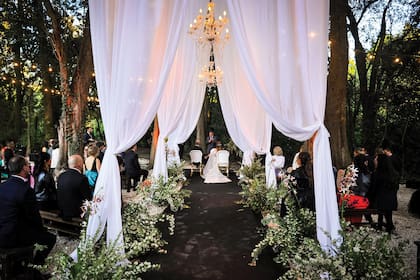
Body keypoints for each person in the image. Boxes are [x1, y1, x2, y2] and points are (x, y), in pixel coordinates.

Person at [0, 156, 56, 264]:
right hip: (14, 236)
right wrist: (41, 230)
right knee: (49, 238)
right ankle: (35, 268)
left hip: (3, 230)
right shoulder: (26, 190)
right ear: (23, 168)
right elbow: (34, 217)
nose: (29, 167)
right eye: (27, 165)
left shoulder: (3, 186)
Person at [57, 154, 92, 219]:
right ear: (79, 164)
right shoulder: (82, 178)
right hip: (76, 214)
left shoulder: (61, 176)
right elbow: (88, 198)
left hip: (63, 212)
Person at [372, 153, 399, 233]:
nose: (374, 160)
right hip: (392, 200)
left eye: (376, 159)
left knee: (382, 204)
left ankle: (384, 225)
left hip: (380, 201)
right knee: (388, 211)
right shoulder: (394, 174)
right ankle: (389, 226)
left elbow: (374, 189)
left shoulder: (377, 174)